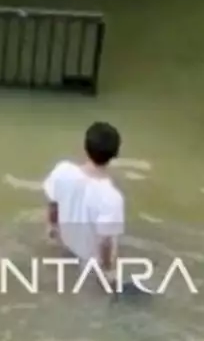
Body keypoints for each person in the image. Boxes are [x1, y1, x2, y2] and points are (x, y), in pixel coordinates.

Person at [42, 121, 137, 295]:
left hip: (65, 245)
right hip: (90, 262)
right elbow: (105, 242)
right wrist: (109, 272)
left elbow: (53, 205)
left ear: (85, 146)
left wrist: (52, 229)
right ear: (115, 154)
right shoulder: (111, 197)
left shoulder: (62, 171)